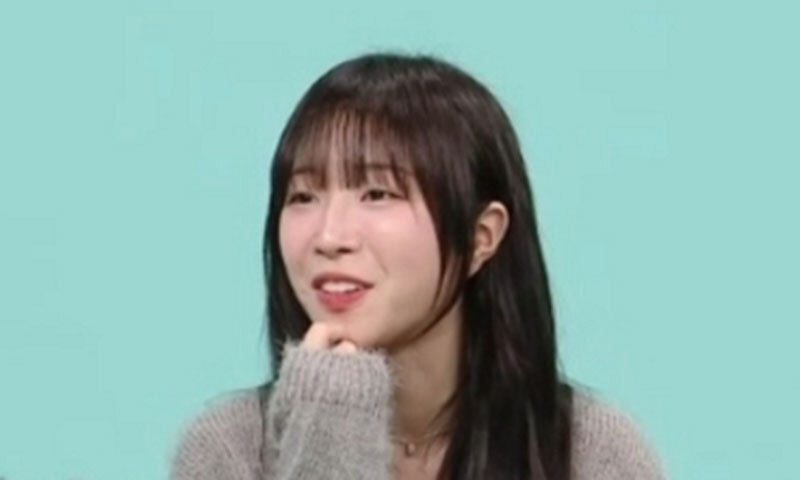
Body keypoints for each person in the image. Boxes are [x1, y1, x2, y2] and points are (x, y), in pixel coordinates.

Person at [169, 52, 667, 480]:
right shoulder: (229, 450)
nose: (329, 237)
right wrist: (328, 428)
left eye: (377, 193)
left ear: (481, 237)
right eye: (302, 196)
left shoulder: (592, 454)